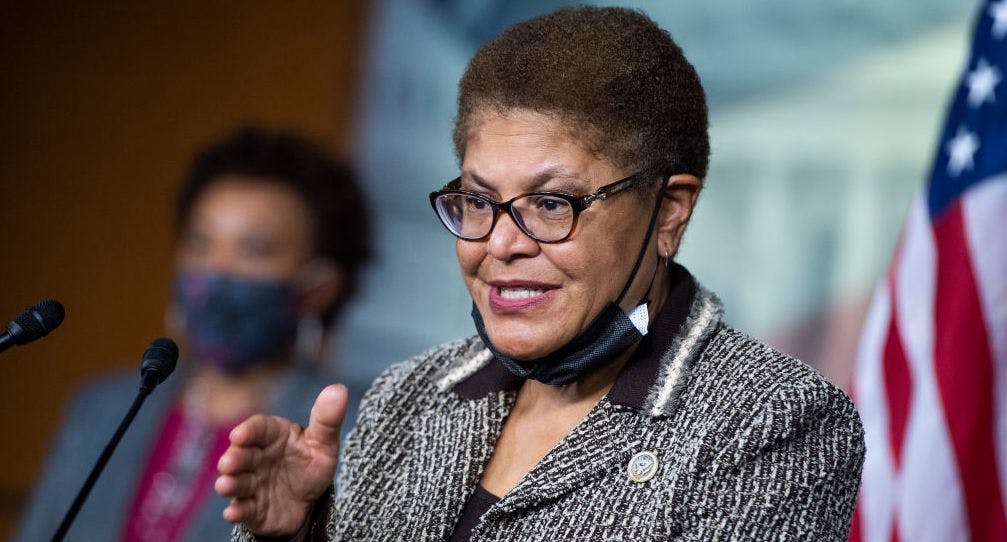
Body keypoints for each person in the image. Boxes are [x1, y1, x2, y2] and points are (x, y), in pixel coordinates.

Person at [218, 7, 865, 541]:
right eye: (478, 201)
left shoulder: (775, 423)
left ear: (668, 210)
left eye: (552, 204)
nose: (499, 243)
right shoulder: (408, 397)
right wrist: (300, 534)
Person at [15, 127, 371, 542]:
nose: (216, 269)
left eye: (253, 250)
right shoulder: (100, 407)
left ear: (319, 288)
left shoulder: (359, 432)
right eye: (200, 243)